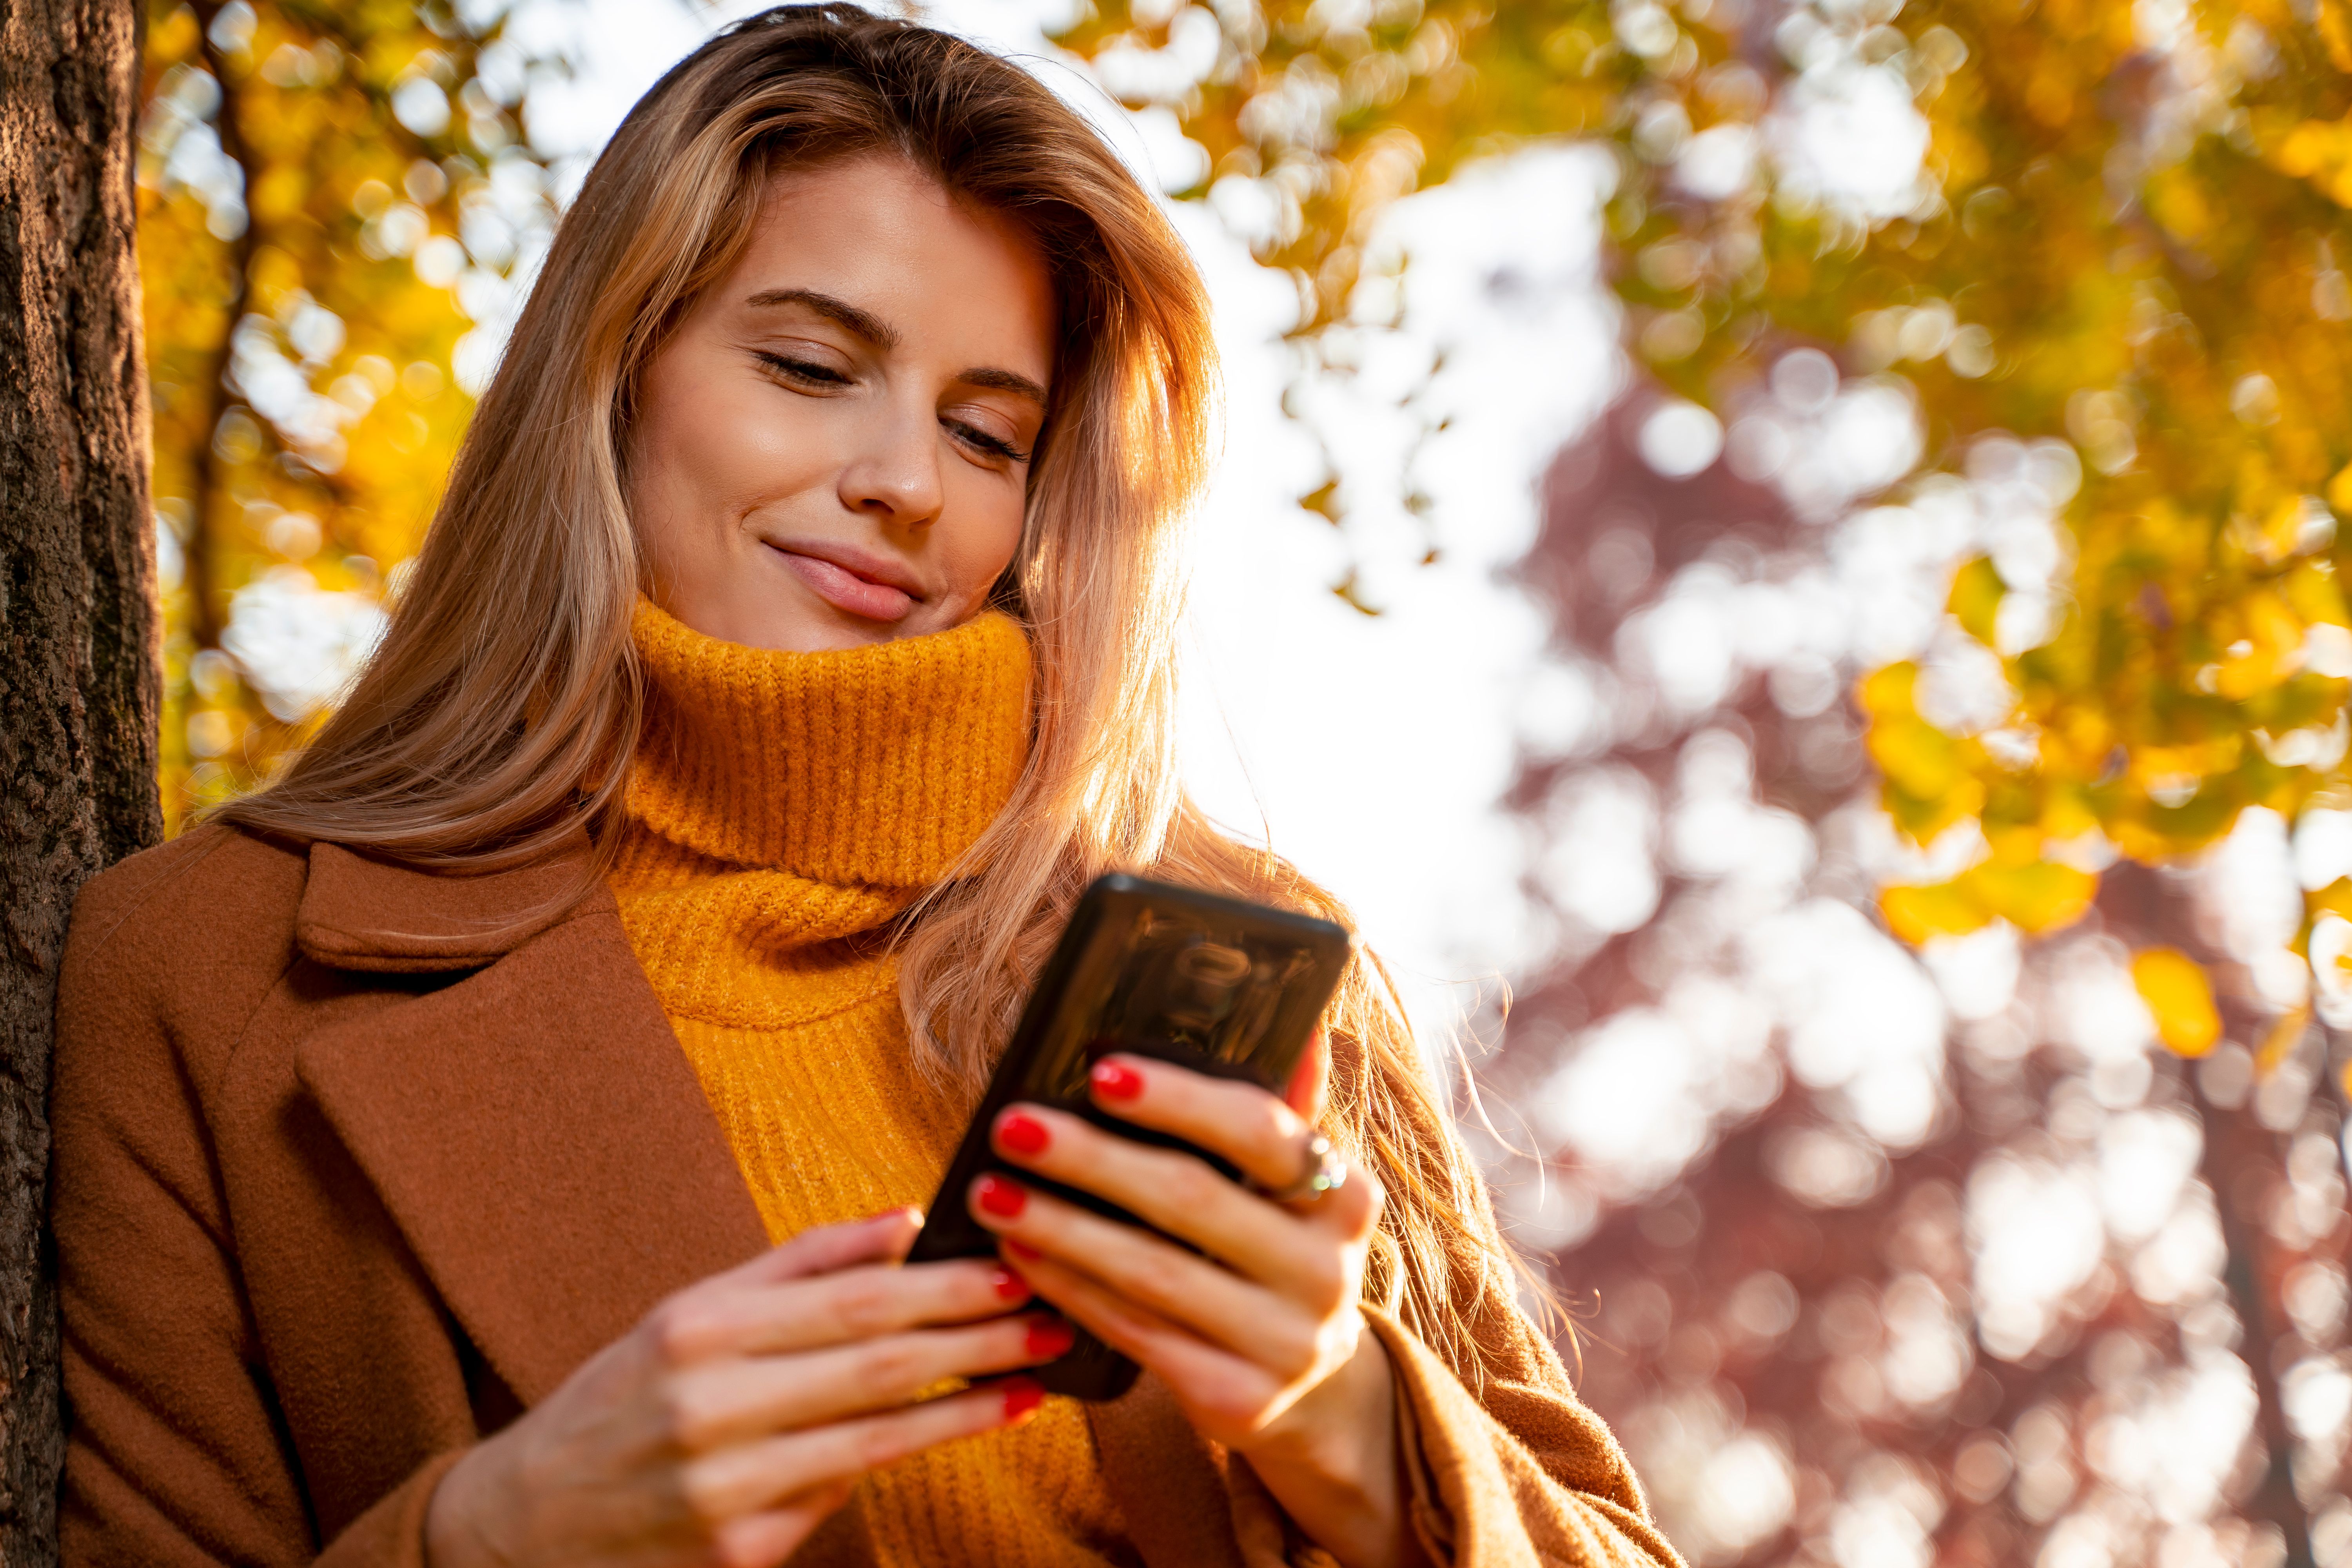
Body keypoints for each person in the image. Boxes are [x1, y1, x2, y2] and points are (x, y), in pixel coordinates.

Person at [50, 8, 1680, 1566]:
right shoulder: (210, 971)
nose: (906, 483)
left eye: (988, 434)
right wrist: (498, 1531)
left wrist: (1346, 1422)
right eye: (813, 368)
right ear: (613, 377)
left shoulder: (1236, 953)